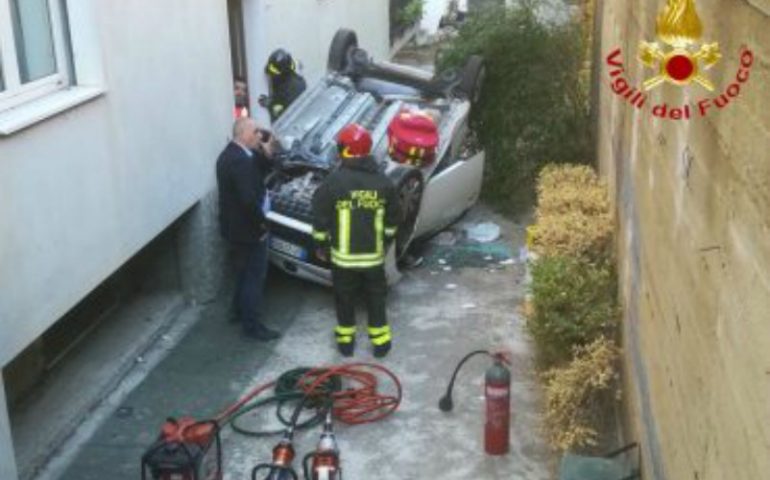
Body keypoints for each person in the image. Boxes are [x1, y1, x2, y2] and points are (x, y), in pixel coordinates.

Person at [311, 124, 401, 358]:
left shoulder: (334, 182)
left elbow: (319, 216)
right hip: (373, 258)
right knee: (376, 299)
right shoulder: (384, 183)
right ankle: (381, 344)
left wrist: (320, 245)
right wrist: (385, 242)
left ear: (346, 150)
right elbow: (394, 220)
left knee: (344, 299)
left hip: (343, 260)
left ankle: (346, 344)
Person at [216, 117, 280, 341]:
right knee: (254, 277)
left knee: (243, 273)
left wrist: (267, 148)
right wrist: (262, 224)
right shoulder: (240, 161)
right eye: (255, 133)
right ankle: (252, 326)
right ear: (243, 133)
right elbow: (247, 200)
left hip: (236, 228)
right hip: (248, 230)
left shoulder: (235, 154)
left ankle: (237, 311)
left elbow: (264, 166)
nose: (258, 136)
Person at [258, 49, 307, 122]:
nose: (271, 75)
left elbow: (288, 113)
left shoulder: (294, 86)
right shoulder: (286, 80)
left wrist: (270, 104)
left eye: (274, 71)